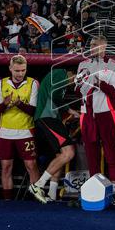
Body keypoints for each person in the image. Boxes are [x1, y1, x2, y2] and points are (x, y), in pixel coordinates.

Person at [76, 35, 115, 202]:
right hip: (87, 113)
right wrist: (82, 84)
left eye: (95, 44)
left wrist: (99, 84)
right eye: (91, 44)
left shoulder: (114, 65)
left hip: (106, 113)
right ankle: (94, 190)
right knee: (91, 153)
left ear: (104, 46)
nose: (92, 47)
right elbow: (78, 90)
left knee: (111, 152)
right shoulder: (83, 64)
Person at [0, 55, 42, 200]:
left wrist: (19, 104)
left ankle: (36, 197)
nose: (20, 74)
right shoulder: (1, 83)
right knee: (6, 167)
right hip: (5, 132)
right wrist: (5, 104)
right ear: (10, 68)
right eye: (17, 71)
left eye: (23, 70)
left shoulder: (33, 83)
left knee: (31, 165)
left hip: (25, 131)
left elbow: (33, 110)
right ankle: (7, 200)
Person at [29, 63, 79, 203]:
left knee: (60, 156)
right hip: (47, 117)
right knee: (69, 153)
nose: (75, 82)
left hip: (51, 118)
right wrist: (70, 110)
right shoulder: (60, 73)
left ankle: (52, 194)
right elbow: (55, 95)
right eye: (75, 78)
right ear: (71, 73)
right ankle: (37, 185)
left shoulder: (60, 78)